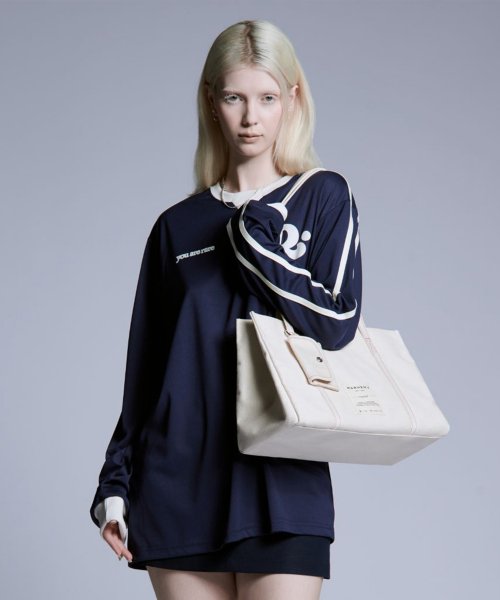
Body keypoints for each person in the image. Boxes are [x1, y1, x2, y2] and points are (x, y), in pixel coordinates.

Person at [89, 18, 362, 600]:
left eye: (267, 98)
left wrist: (252, 235)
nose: (250, 117)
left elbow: (336, 324)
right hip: (177, 487)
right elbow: (145, 374)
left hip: (282, 485)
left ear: (292, 99)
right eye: (235, 98)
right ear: (212, 102)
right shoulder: (176, 227)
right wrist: (114, 483)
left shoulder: (320, 196)